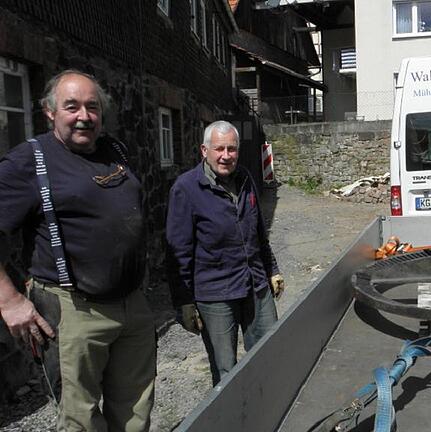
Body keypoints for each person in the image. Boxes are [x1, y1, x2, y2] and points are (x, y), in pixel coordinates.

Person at [0, 70, 155, 431]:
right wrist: (8, 301)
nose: (84, 116)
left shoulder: (113, 149)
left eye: (92, 107)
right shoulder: (28, 161)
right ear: (50, 112)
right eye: (72, 106)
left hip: (132, 306)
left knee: (135, 415)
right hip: (73, 312)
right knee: (81, 420)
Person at [166, 120, 285, 385]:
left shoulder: (244, 179)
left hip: (255, 285)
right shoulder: (186, 189)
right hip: (215, 294)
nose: (226, 156)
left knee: (268, 354)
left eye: (232, 149)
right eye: (219, 149)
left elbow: (258, 232)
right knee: (225, 371)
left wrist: (272, 269)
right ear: (204, 150)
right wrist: (183, 301)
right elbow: (177, 252)